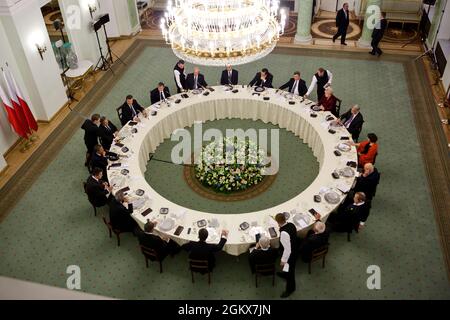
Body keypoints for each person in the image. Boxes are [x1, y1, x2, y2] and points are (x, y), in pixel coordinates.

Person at [275, 213, 298, 298]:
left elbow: (287, 249)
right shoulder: (291, 224)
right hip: (294, 249)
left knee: (290, 272)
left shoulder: (284, 233)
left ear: (278, 222)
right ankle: (285, 274)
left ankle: (290, 289)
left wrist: (283, 260)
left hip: (290, 255)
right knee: (287, 270)